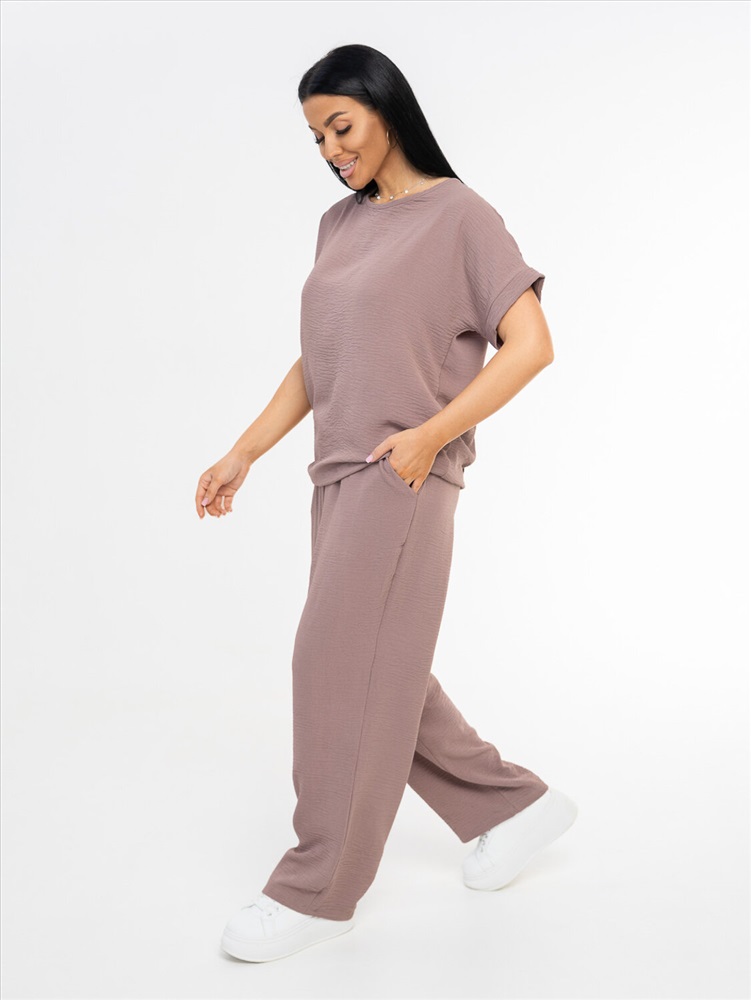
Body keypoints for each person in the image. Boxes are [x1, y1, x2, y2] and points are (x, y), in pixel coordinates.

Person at [196, 44, 578, 964]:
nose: (331, 150)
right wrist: (244, 450)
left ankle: (319, 890)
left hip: (399, 472)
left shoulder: (460, 216)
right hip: (336, 473)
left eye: (341, 126)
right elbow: (319, 356)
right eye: (316, 137)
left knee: (332, 663)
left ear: (387, 110)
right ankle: (513, 808)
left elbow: (530, 345)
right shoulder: (338, 225)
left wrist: (428, 436)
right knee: (380, 664)